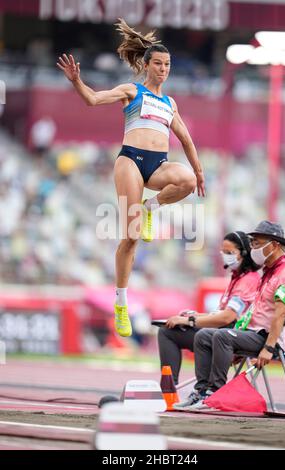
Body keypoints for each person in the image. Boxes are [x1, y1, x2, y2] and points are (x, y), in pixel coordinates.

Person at [57, 19, 205, 338]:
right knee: (132, 236)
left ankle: (151, 207)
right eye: (158, 63)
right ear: (147, 65)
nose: (163, 69)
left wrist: (200, 172)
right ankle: (121, 303)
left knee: (187, 181)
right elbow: (93, 100)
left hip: (159, 165)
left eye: (167, 65)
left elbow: (187, 140)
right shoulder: (132, 90)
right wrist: (76, 82)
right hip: (131, 161)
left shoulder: (170, 103)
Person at [174, 221, 285, 411]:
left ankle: (215, 394)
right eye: (252, 243)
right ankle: (202, 391)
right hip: (253, 333)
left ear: (274, 245)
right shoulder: (268, 271)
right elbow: (253, 312)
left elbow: (281, 314)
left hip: (268, 338)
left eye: (257, 243)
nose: (253, 248)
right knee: (203, 335)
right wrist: (239, 336)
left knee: (222, 335)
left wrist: (268, 347)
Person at [158, 231, 260, 385]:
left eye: (230, 252)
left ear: (244, 253)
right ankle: (169, 388)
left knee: (168, 333)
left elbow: (227, 318)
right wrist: (195, 316)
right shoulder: (236, 278)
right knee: (167, 329)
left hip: (229, 336)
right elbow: (221, 314)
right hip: (220, 331)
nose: (225, 256)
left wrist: (189, 321)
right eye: (223, 252)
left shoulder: (248, 280)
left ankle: (179, 389)